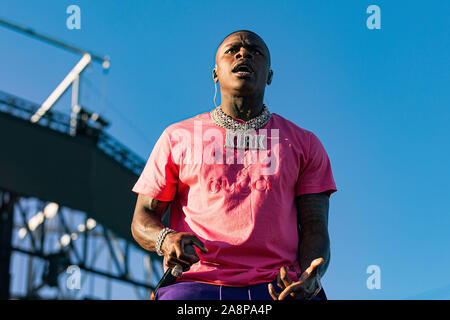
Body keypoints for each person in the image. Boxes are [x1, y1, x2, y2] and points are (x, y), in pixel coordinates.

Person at [131, 30, 337, 300]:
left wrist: (312, 277)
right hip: (195, 284)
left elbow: (315, 228)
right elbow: (142, 218)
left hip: (280, 287)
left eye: (256, 51)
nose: (244, 54)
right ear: (215, 73)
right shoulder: (177, 137)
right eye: (232, 50)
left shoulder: (304, 143)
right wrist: (166, 239)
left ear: (270, 76)